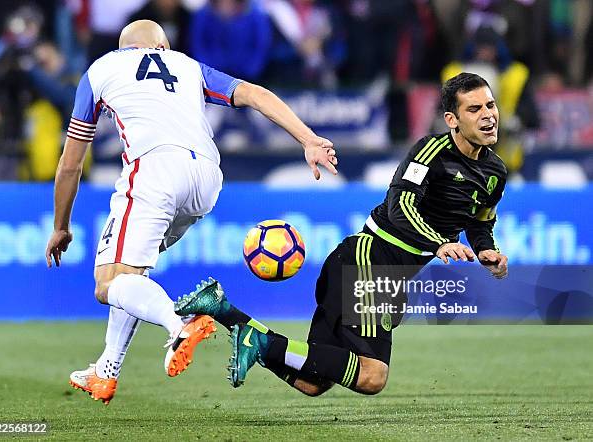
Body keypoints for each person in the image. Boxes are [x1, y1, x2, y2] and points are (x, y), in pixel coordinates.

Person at [45, 19, 337, 405]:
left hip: (154, 169)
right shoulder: (186, 64)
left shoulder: (100, 70)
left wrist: (61, 226)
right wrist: (308, 138)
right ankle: (106, 369)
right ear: (162, 47)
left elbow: (70, 165)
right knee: (133, 273)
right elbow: (253, 94)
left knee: (108, 284)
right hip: (206, 179)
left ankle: (180, 322)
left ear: (123, 47)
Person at [175, 72, 509, 396]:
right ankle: (258, 342)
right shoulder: (430, 153)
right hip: (369, 262)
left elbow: (481, 220)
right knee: (372, 376)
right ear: (452, 119)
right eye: (475, 109)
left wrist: (485, 250)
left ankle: (224, 311)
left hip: (379, 272)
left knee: (312, 382)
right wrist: (438, 243)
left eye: (490, 106)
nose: (488, 116)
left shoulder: (495, 170)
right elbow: (400, 204)